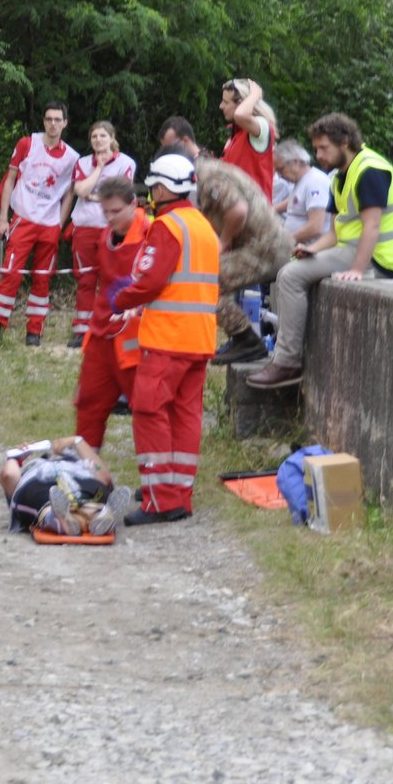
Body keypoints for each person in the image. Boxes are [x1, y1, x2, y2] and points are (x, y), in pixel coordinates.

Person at [248, 113, 393, 390]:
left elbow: (371, 227)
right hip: (353, 248)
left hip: (378, 257)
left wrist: (357, 270)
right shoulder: (339, 177)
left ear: (344, 142)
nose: (318, 155)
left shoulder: (370, 170)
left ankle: (287, 362)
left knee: (289, 277)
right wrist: (311, 249)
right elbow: (335, 233)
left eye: (324, 148)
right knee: (288, 268)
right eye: (316, 148)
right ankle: (283, 356)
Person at [109, 154, 220, 524]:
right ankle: (179, 494)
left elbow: (152, 281)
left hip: (169, 338)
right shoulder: (202, 225)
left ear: (160, 188)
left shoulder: (167, 226)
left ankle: (160, 499)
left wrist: (121, 299)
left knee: (148, 409)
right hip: (199, 339)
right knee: (185, 414)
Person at [160, 118, 292, 367]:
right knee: (206, 278)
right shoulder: (205, 171)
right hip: (261, 245)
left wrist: (223, 242)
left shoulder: (206, 174)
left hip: (265, 248)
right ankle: (241, 338)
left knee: (205, 281)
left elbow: (238, 210)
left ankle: (247, 341)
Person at [0, 102, 78, 345]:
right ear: (43, 121)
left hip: (49, 223)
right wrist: (4, 218)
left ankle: (34, 333)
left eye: (58, 119)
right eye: (49, 119)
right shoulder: (27, 144)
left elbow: (70, 192)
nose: (53, 124)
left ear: (65, 123)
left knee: (42, 278)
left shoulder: (72, 157)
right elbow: (10, 180)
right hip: (23, 219)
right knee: (11, 273)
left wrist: (59, 223)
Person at [72, 175, 148, 449]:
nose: (110, 218)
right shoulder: (106, 233)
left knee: (146, 409)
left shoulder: (151, 232)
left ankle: (155, 479)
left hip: (135, 338)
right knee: (88, 403)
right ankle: (85, 471)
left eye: (116, 211)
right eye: (105, 212)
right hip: (102, 332)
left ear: (133, 204)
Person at [66, 120, 138, 348]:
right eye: (94, 136)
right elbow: (81, 190)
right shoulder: (83, 162)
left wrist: (96, 196)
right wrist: (98, 168)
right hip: (85, 227)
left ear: (112, 138)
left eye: (103, 136)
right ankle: (82, 330)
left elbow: (120, 196)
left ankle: (112, 325)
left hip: (111, 228)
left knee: (113, 278)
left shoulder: (126, 163)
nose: (98, 140)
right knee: (86, 279)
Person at [0, 436, 131, 537]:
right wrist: (14, 456)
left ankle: (62, 520)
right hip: (50, 484)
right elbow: (8, 476)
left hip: (78, 481)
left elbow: (104, 477)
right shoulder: (32, 470)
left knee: (50, 501)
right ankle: (99, 515)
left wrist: (76, 440)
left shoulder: (80, 464)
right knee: (51, 499)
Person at [219, 77, 277, 200]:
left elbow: (240, 115)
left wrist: (255, 94)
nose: (221, 106)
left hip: (255, 213)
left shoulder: (262, 126)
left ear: (241, 104)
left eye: (226, 102)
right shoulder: (236, 134)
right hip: (236, 209)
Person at [274, 139, 331, 244]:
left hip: (310, 248)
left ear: (296, 162)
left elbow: (315, 227)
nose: (279, 175)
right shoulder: (301, 181)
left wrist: (282, 242)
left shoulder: (315, 182)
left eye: (281, 169)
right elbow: (296, 200)